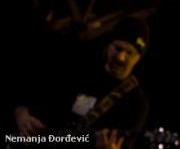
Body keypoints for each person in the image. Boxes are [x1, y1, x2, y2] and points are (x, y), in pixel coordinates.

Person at [12, 16, 150, 149]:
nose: (121, 57)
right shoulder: (80, 66)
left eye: (129, 53)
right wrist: (20, 113)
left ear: (138, 58)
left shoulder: (136, 104)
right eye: (118, 48)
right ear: (109, 45)